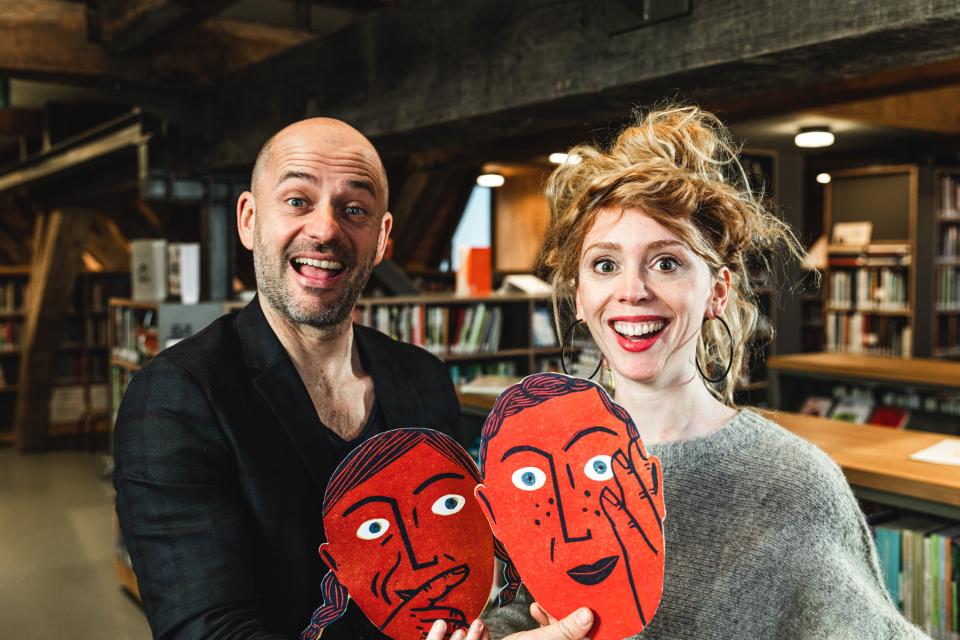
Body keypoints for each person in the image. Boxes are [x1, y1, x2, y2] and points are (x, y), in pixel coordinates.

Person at [479, 106, 930, 639]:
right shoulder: (537, 461)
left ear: (717, 291)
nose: (632, 290)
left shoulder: (793, 483)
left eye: (666, 262)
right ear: (579, 296)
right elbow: (521, 605)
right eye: (605, 264)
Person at [113, 118, 463, 640]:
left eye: (354, 209)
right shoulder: (175, 399)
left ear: (382, 236)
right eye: (298, 200)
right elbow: (208, 631)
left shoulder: (426, 381)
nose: (325, 230)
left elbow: (455, 574)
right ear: (249, 220)